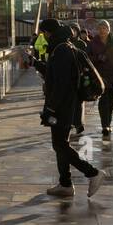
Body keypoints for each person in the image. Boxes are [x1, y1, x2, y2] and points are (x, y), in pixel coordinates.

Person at [38, 19, 107, 199]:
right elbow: (54, 74)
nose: (43, 37)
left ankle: (92, 173)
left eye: (43, 33)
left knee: (59, 144)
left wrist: (51, 109)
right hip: (68, 105)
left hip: (63, 106)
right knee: (61, 144)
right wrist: (34, 62)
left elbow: (61, 84)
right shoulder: (64, 47)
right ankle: (65, 184)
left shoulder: (60, 50)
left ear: (48, 32)